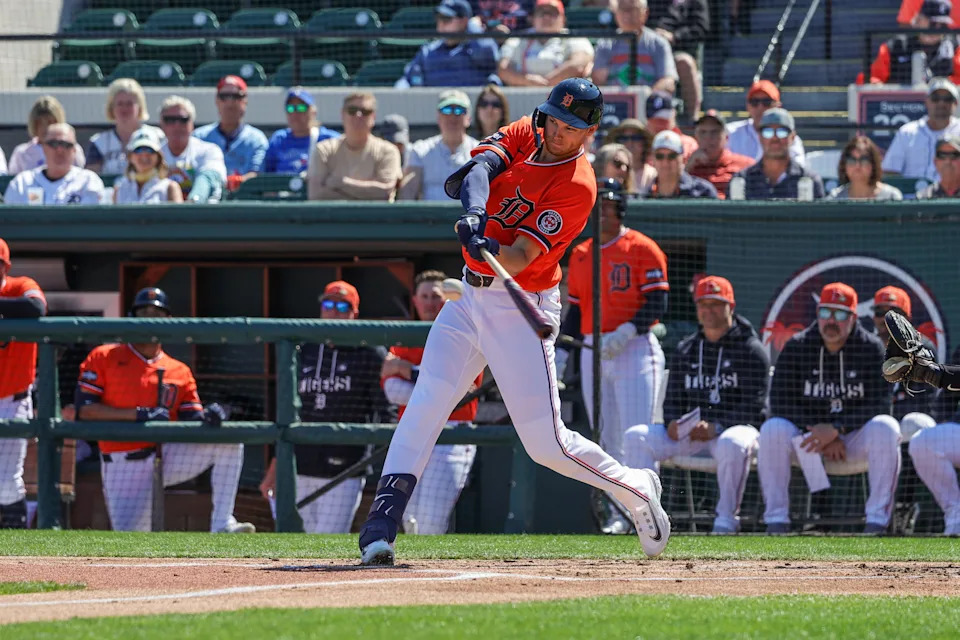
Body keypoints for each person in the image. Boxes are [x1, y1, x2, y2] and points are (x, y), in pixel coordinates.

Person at [356, 78, 670, 566]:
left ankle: (635, 487)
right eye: (554, 118)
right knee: (425, 405)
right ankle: (380, 530)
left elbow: (521, 256)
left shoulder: (578, 186)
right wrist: (477, 214)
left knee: (547, 445)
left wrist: (488, 247)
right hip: (467, 301)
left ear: (589, 132)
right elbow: (481, 166)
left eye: (571, 126)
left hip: (521, 302)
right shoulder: (531, 129)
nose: (557, 130)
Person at [61, 288, 255, 534]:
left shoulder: (179, 370)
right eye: (143, 313)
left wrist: (212, 415)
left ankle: (222, 524)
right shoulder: (105, 356)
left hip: (168, 457)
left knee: (229, 442)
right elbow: (85, 410)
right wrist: (138, 414)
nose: (149, 318)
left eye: (156, 313)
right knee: (131, 541)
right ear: (132, 318)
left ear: (168, 321)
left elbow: (192, 418)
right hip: (123, 462)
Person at [557, 177, 669, 534]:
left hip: (634, 347)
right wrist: (563, 351)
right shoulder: (581, 252)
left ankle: (650, 510)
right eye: (598, 208)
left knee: (637, 434)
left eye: (609, 206)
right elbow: (574, 310)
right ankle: (620, 514)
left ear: (620, 209)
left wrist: (628, 330)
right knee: (606, 438)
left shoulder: (642, 247)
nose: (603, 214)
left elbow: (659, 301)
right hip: (594, 350)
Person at [624, 276, 770, 534]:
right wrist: (671, 422)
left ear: (731, 307)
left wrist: (718, 426)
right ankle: (645, 519)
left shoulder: (751, 348)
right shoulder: (687, 348)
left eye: (716, 304)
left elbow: (755, 406)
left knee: (732, 442)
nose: (708, 310)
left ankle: (726, 521)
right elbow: (673, 400)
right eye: (703, 304)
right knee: (636, 436)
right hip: (691, 434)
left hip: (733, 431)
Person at [759, 282, 898, 535]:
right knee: (772, 428)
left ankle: (877, 522)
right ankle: (776, 520)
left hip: (852, 438)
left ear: (854, 317)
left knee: (886, 427)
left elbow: (880, 403)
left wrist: (837, 429)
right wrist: (818, 431)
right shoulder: (797, 346)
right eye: (825, 313)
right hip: (808, 438)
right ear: (817, 313)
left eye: (840, 314)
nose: (831, 321)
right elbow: (779, 401)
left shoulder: (872, 348)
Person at [259, 281, 392, 533]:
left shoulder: (369, 352)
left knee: (327, 541)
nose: (334, 312)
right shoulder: (304, 349)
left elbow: (387, 413)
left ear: (355, 313)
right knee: (294, 543)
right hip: (299, 466)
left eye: (343, 306)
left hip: (345, 469)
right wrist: (275, 468)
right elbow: (287, 414)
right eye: (328, 305)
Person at [381, 270, 482, 534]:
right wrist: (436, 389)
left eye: (436, 296)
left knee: (430, 521)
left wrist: (408, 371)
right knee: (407, 517)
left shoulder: (464, 333)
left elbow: (462, 393)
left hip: (451, 438)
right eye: (424, 296)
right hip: (415, 433)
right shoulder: (406, 337)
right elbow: (392, 390)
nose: (430, 303)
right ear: (415, 300)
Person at [0, 238, 46, 528]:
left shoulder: (20, 285)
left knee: (5, 483)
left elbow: (36, 307)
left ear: (5, 266)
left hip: (11, 400)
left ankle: (16, 548)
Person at [868, 286, 937, 440]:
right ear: (873, 317)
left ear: (908, 319)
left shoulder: (923, 350)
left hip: (908, 427)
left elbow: (925, 402)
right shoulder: (865, 349)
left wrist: (890, 419)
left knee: (918, 422)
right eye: (880, 313)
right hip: (873, 425)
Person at [307, 93, 402, 201]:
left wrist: (341, 182)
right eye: (352, 111)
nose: (358, 115)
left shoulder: (388, 151)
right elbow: (316, 195)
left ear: (373, 117)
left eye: (365, 112)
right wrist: (367, 194)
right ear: (342, 114)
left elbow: (384, 192)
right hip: (334, 216)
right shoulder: (324, 150)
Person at [398, 0, 501, 88]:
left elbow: (489, 55)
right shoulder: (428, 51)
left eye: (446, 19)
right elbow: (407, 80)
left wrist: (473, 28)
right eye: (439, 18)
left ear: (464, 21)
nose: (441, 24)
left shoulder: (477, 48)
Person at [193, 76, 268, 191]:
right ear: (216, 101)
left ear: (245, 100)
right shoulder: (199, 137)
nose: (230, 102)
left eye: (236, 96)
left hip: (243, 201)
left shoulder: (256, 139)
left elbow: (256, 175)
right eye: (224, 97)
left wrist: (233, 183)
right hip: (206, 202)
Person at [400, 91, 479, 201]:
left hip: (468, 217)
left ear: (468, 119)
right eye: (446, 110)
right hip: (429, 217)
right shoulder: (420, 150)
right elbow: (407, 195)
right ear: (438, 117)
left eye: (459, 110)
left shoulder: (480, 152)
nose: (452, 116)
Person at [860, 0, 960, 85]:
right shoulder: (896, 46)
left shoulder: (955, 47)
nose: (936, 29)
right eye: (932, 23)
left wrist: (944, 85)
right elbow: (871, 78)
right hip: (900, 105)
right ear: (919, 19)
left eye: (942, 25)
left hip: (940, 105)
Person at [498, 0, 594, 87]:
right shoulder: (518, 39)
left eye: (552, 13)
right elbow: (503, 70)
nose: (546, 17)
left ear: (563, 19)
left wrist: (547, 83)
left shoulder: (574, 37)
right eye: (542, 13)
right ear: (533, 18)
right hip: (525, 95)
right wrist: (527, 80)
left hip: (564, 96)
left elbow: (579, 64)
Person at [733, 108, 824, 200]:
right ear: (759, 137)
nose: (775, 139)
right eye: (767, 132)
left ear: (792, 137)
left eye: (782, 132)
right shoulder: (741, 180)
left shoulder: (808, 180)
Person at [3, 123, 104, 205]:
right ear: (43, 148)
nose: (60, 150)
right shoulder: (22, 183)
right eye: (53, 144)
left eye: (66, 145)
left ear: (74, 150)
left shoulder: (88, 181)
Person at [882, 77, 960, 181]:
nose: (941, 103)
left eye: (947, 99)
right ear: (927, 101)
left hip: (954, 196)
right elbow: (890, 171)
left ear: (956, 103)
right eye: (936, 98)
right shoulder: (907, 132)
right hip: (911, 196)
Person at [592, 0, 678, 92]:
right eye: (622, 9)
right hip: (613, 103)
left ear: (645, 13)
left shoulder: (659, 44)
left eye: (632, 9)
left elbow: (668, 81)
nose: (626, 14)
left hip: (649, 103)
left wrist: (644, 99)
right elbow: (598, 82)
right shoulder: (605, 45)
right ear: (615, 13)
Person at [85, 78, 164, 176]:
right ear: (111, 107)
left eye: (129, 104)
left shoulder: (157, 136)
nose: (124, 109)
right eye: (120, 104)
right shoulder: (98, 142)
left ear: (139, 107)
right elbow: (91, 177)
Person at [158, 96, 227, 203]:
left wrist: (192, 203)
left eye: (183, 120)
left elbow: (209, 178)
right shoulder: (153, 154)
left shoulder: (209, 151)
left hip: (200, 215)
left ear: (192, 124)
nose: (177, 125)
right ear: (161, 124)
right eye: (170, 120)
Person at [648, 0, 710, 120]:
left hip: (678, 49)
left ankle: (692, 119)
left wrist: (675, 36)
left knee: (684, 62)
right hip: (648, 47)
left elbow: (701, 28)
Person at [725, 80, 806, 166]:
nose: (760, 107)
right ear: (748, 106)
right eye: (754, 102)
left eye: (766, 102)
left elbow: (798, 169)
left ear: (778, 106)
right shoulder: (730, 133)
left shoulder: (787, 137)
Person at [264, 87, 338, 175]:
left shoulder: (330, 139)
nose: (295, 113)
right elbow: (267, 175)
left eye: (301, 108)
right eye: (290, 108)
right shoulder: (278, 139)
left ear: (313, 112)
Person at [7, 96, 85, 175]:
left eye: (51, 122)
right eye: (41, 123)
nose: (46, 128)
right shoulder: (21, 153)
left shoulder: (73, 149)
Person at [685, 110, 754, 198]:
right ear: (696, 137)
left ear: (726, 137)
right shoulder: (689, 166)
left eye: (714, 132)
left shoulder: (745, 165)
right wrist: (688, 167)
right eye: (703, 132)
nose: (708, 138)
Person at [113, 129, 183, 204]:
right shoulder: (120, 188)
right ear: (130, 157)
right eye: (138, 149)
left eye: (150, 150)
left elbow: (179, 215)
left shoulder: (170, 187)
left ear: (158, 156)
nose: (144, 154)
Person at [640, 130, 717, 198]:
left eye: (672, 156)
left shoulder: (703, 192)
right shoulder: (644, 193)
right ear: (653, 159)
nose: (665, 161)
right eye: (659, 156)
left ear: (682, 158)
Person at [826, 135, 903, 201]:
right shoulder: (835, 198)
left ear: (874, 164)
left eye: (864, 160)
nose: (857, 165)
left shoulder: (891, 196)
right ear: (844, 165)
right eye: (851, 160)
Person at [604, 118, 657, 192]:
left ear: (644, 143)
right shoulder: (610, 172)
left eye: (635, 138)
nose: (629, 142)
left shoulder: (653, 175)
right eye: (624, 138)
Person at [644, 91, 698, 160]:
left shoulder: (688, 145)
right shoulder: (640, 146)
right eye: (656, 120)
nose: (660, 125)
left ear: (673, 116)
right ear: (648, 121)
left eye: (664, 120)